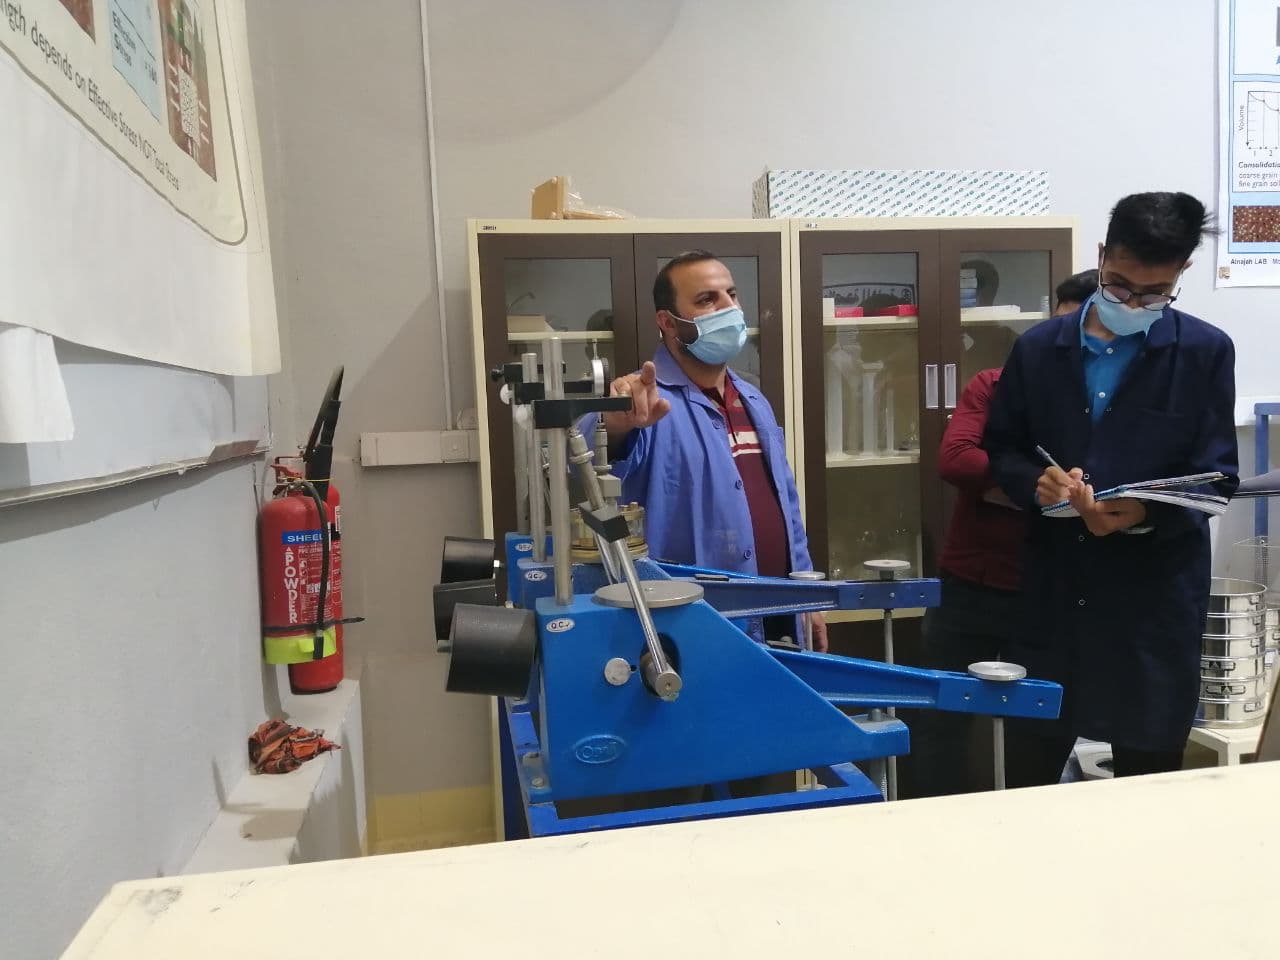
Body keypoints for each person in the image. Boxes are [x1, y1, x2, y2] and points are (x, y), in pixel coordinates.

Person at [983, 193, 1238, 784]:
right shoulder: (1039, 350)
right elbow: (1003, 448)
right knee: (1028, 780)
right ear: (1101, 256)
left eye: (1154, 294)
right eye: (1119, 286)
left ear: (1182, 272)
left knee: (1149, 785)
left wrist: (1141, 513)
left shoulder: (1203, 352)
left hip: (1152, 602)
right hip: (1055, 594)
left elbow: (1218, 477)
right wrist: (1037, 484)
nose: (1132, 303)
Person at [912, 270, 1097, 797]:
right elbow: (956, 459)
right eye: (1056, 327)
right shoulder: (996, 384)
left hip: (1056, 593)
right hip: (973, 583)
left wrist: (1004, 485)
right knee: (939, 720)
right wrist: (1031, 486)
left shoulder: (1107, 403)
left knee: (1040, 730)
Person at [592, 250, 827, 651]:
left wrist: (809, 593)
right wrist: (612, 421)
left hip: (781, 612)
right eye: (707, 300)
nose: (728, 308)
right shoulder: (646, 401)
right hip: (691, 626)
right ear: (668, 322)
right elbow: (590, 454)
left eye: (731, 295)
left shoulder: (753, 399)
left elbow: (787, 505)